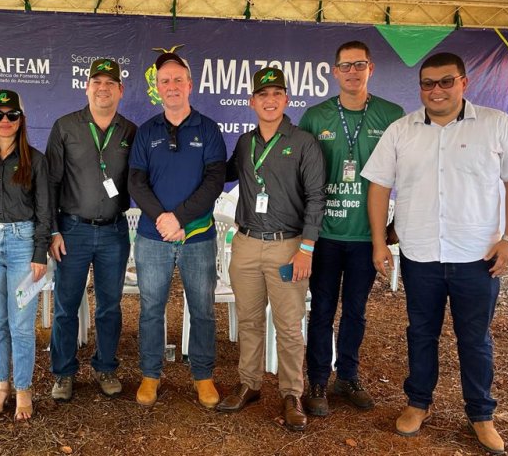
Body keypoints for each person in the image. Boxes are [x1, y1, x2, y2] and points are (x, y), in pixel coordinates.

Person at [362, 52, 508, 455]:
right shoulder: (402, 131)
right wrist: (377, 240)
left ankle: (481, 415)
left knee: (474, 339)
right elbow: (378, 187)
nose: (436, 90)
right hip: (421, 254)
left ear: (463, 82)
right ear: (419, 87)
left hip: (478, 256)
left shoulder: (496, 125)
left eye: (445, 81)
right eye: (427, 83)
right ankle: (417, 403)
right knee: (421, 334)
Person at [298, 40, 405, 416]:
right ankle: (316, 381)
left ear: (370, 69)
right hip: (325, 235)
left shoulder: (392, 115)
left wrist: (392, 229)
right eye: (345, 66)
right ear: (334, 71)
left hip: (366, 237)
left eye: (359, 65)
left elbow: (407, 176)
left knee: (356, 310)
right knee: (323, 309)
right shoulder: (315, 117)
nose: (352, 72)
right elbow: (302, 177)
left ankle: (348, 375)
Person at [216, 67, 326, 431]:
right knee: (248, 320)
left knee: (289, 326)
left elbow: (315, 197)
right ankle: (249, 383)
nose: (270, 100)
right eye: (263, 95)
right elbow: (221, 174)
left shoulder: (304, 142)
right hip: (245, 244)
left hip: (287, 246)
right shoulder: (245, 143)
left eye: (277, 94)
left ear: (286, 100)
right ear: (251, 102)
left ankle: (291, 393)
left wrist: (306, 247)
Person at [128, 52, 226, 408]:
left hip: (197, 237)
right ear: (157, 88)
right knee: (151, 308)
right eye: (164, 81)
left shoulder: (209, 128)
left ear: (190, 84)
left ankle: (203, 376)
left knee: (201, 308)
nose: (171, 87)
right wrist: (162, 219)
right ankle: (150, 375)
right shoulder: (146, 131)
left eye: (177, 80)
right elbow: (136, 183)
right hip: (153, 239)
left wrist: (180, 219)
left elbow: (215, 179)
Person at [45, 59, 137, 401]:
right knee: (67, 305)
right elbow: (51, 182)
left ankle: (106, 367)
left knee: (109, 306)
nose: (103, 88)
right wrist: (53, 230)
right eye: (96, 81)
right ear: (87, 87)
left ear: (120, 90)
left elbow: (139, 179)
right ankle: (64, 373)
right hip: (72, 231)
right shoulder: (66, 126)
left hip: (114, 232)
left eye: (110, 83)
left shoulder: (130, 131)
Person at [0, 89, 51, 421]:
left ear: (22, 119)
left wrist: (39, 253)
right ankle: (2, 386)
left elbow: (45, 211)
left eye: (12, 115)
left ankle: (23, 389)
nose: (5, 121)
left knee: (21, 325)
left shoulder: (36, 160)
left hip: (23, 246)